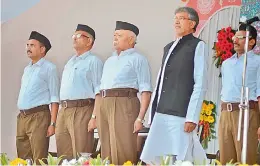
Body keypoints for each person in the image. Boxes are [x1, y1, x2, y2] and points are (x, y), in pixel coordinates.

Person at [140, 7, 208, 164]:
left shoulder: (197, 45)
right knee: (156, 158)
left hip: (181, 114)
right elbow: (160, 81)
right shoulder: (168, 47)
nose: (176, 21)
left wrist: (192, 117)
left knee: (180, 158)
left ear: (192, 24)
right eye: (175, 18)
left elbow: (200, 83)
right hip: (161, 110)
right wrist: (151, 112)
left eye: (182, 18)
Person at [93, 21, 152, 165]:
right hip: (104, 104)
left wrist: (140, 118)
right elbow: (101, 90)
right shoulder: (109, 61)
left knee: (122, 148)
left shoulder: (138, 59)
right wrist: (95, 114)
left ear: (131, 39)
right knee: (106, 149)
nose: (115, 38)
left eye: (119, 35)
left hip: (124, 103)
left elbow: (146, 91)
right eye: (114, 35)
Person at [55, 24, 103, 159]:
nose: (74, 39)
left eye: (79, 36)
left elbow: (99, 92)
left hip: (82, 109)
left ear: (89, 41)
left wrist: (94, 117)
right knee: (63, 154)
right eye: (73, 36)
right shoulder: (69, 62)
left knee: (81, 153)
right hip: (64, 110)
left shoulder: (94, 61)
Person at [218, 23, 260, 165]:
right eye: (234, 37)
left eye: (240, 37)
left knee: (245, 159)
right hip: (225, 114)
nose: (234, 40)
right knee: (225, 160)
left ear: (252, 41)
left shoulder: (257, 62)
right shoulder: (226, 63)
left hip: (247, 113)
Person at [17, 31, 59, 164]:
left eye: (32, 45)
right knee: (23, 158)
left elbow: (54, 97)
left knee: (39, 158)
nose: (28, 48)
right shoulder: (27, 69)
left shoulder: (49, 68)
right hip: (22, 117)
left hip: (38, 117)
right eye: (27, 45)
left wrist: (52, 123)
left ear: (42, 49)